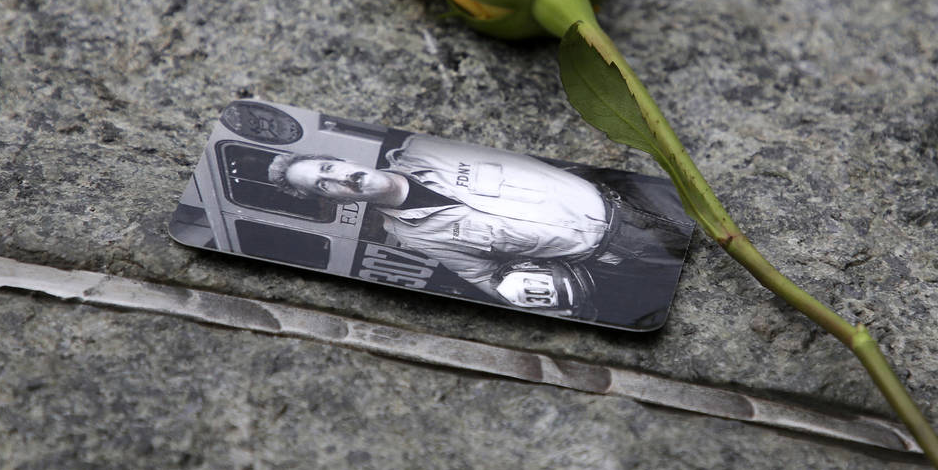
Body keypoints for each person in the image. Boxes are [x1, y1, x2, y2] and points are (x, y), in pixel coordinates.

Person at [267, 134, 693, 318]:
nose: (339, 178)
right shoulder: (412, 236)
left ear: (341, 159)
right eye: (324, 185)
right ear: (331, 198)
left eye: (327, 167)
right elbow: (482, 276)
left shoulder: (428, 146)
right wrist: (537, 301)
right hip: (620, 257)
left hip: (637, 194)